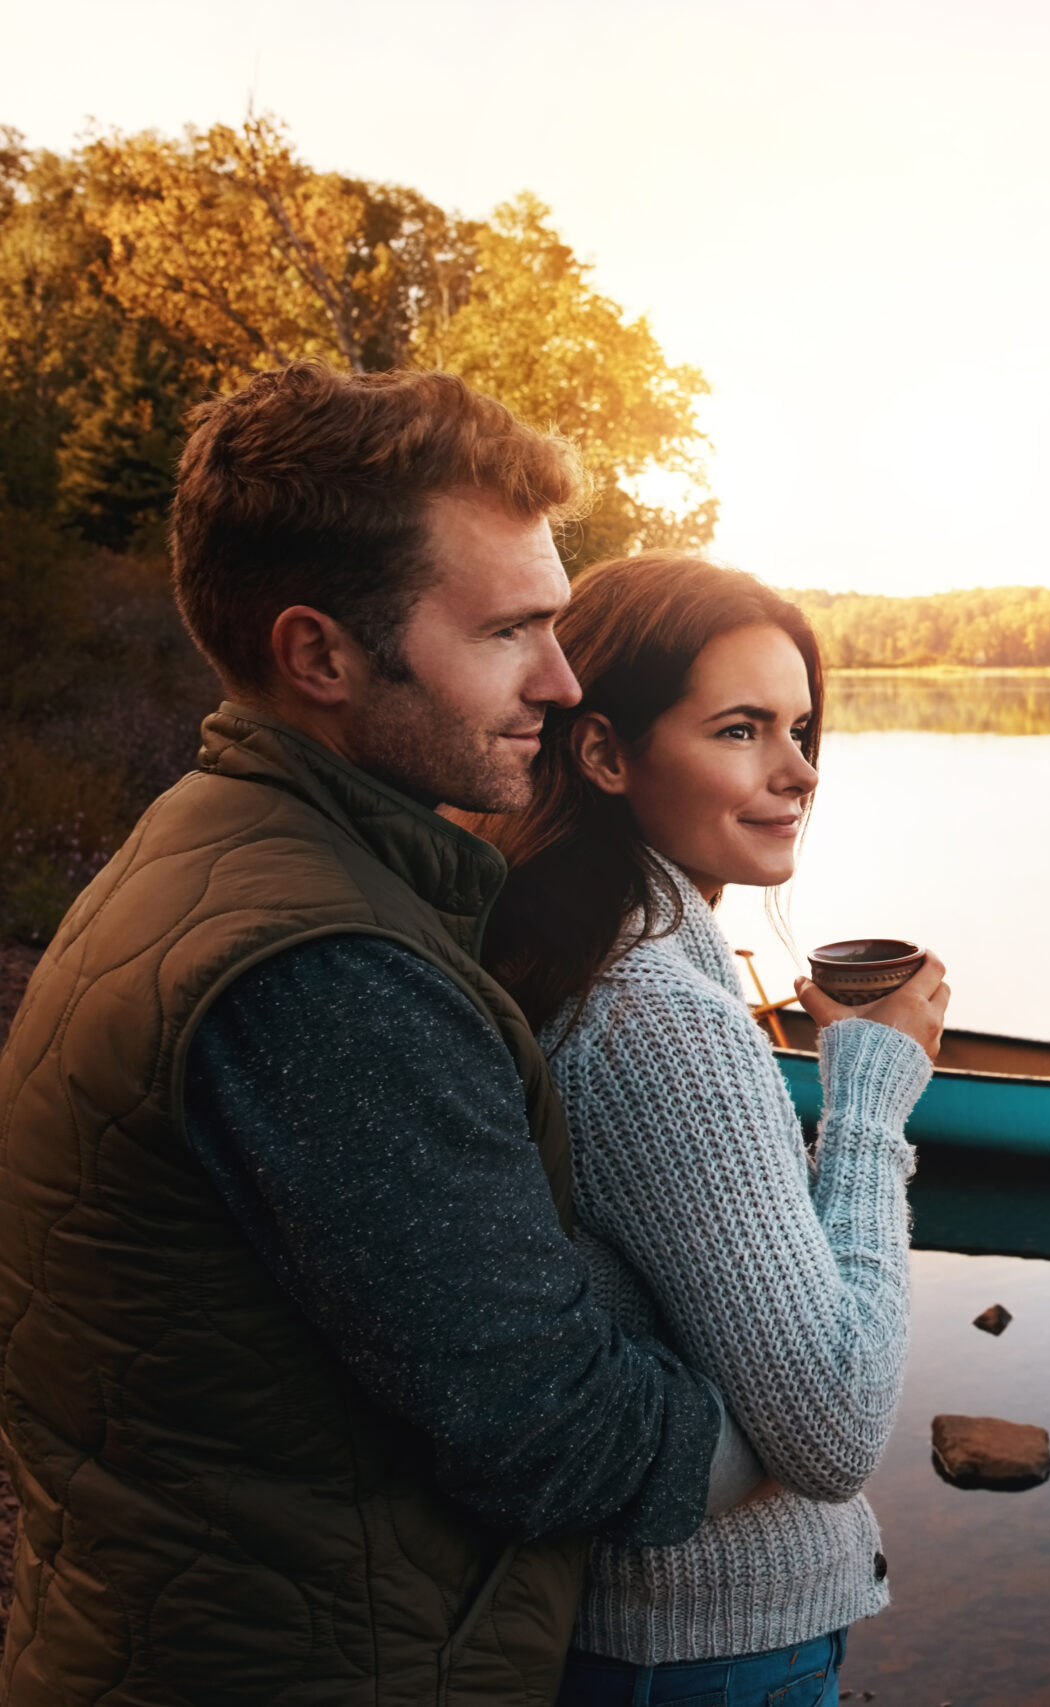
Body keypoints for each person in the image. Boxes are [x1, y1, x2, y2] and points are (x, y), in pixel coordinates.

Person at [0, 366, 768, 1705]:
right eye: (509, 632)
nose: (564, 677)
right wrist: (788, 1413)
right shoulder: (324, 971)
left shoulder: (215, 849)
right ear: (320, 655)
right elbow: (561, 1437)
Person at [472, 555, 947, 1705]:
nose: (797, 773)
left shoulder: (586, 951)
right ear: (604, 754)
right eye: (741, 731)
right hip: (708, 1654)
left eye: (802, 729)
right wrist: (874, 1093)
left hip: (645, 1642)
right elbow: (831, 1431)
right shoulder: (657, 1019)